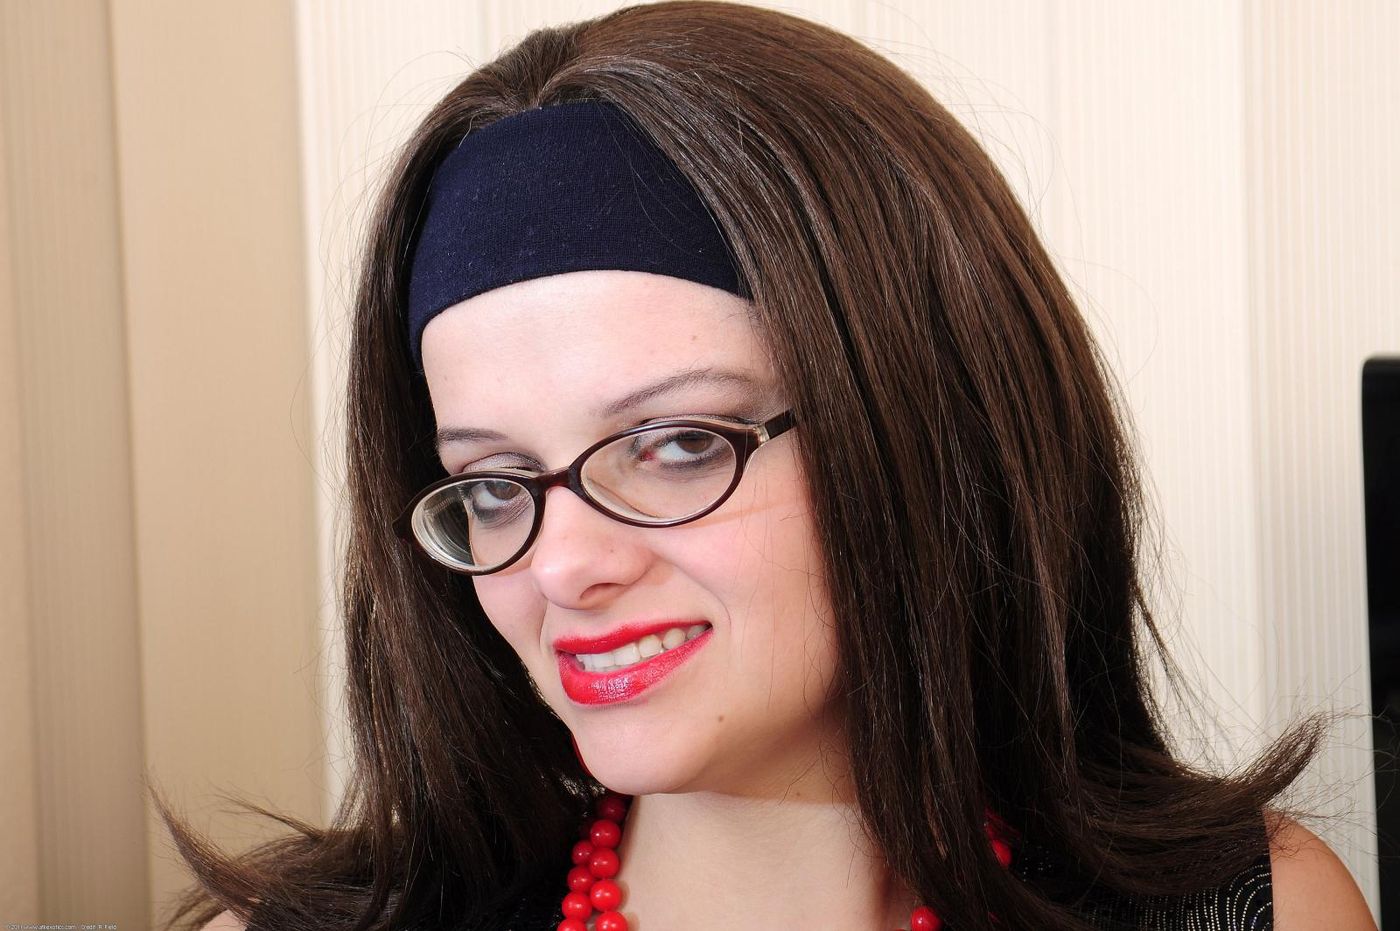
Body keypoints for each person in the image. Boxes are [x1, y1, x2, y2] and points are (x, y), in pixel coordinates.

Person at [160, 2, 1377, 929]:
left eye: (676, 444)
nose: (563, 566)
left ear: (926, 431)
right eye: (493, 486)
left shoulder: (1256, 910)